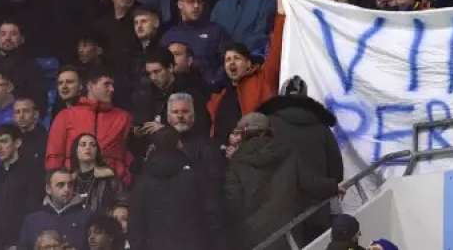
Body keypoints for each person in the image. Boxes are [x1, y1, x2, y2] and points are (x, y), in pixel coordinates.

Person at [225, 112, 341, 250]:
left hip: (255, 237)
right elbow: (309, 182)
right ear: (267, 131)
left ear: (244, 133)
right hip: (288, 231)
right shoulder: (287, 151)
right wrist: (334, 187)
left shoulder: (237, 162)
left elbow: (233, 202)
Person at [258, 77, 344, 244]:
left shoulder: (267, 126)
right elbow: (337, 173)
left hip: (279, 214)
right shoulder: (322, 128)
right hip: (317, 212)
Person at [208, 0, 284, 147]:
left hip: (255, 152)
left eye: (236, 58)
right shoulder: (220, 94)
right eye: (227, 60)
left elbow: (276, 50)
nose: (231, 62)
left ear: (249, 64)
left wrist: (281, 14)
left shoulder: (263, 79)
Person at [130, 127, 222, 250]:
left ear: (153, 147)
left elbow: (136, 224)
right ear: (179, 144)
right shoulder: (195, 177)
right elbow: (211, 214)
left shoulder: (142, 181)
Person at [46, 66, 133, 185]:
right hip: (73, 186)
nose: (112, 89)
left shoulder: (123, 117)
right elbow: (54, 157)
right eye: (106, 84)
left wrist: (120, 175)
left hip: (111, 185)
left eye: (112, 85)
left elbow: (127, 156)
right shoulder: (65, 116)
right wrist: (57, 185)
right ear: (90, 86)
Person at [160, 0, 228, 92]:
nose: (196, 6)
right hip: (176, 93)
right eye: (191, 1)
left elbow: (227, 59)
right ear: (180, 4)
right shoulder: (169, 35)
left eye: (199, 2)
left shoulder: (215, 31)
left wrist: (215, 81)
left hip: (208, 92)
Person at [0, 123, 43, 250]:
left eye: (4, 141)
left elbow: (34, 212)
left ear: (17, 143)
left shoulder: (32, 174)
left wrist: (20, 244)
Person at [131, 48, 209, 137]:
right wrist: (137, 129)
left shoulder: (190, 92)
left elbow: (201, 127)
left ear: (170, 68)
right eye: (149, 73)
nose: (153, 77)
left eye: (157, 72)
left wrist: (165, 129)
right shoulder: (147, 93)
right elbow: (141, 120)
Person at [19, 169, 92, 250]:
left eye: (70, 185)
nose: (67, 189)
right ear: (48, 189)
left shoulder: (87, 217)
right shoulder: (31, 221)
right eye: (61, 185)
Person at [70, 133, 125, 214]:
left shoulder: (109, 178)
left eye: (93, 145)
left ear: (97, 151)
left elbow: (123, 202)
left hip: (101, 223)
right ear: (76, 150)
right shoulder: (69, 179)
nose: (88, 147)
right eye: (83, 144)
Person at [13, 95, 48, 167]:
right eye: (17, 112)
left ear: (36, 114)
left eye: (26, 111)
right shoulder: (11, 139)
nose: (21, 116)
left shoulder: (46, 140)